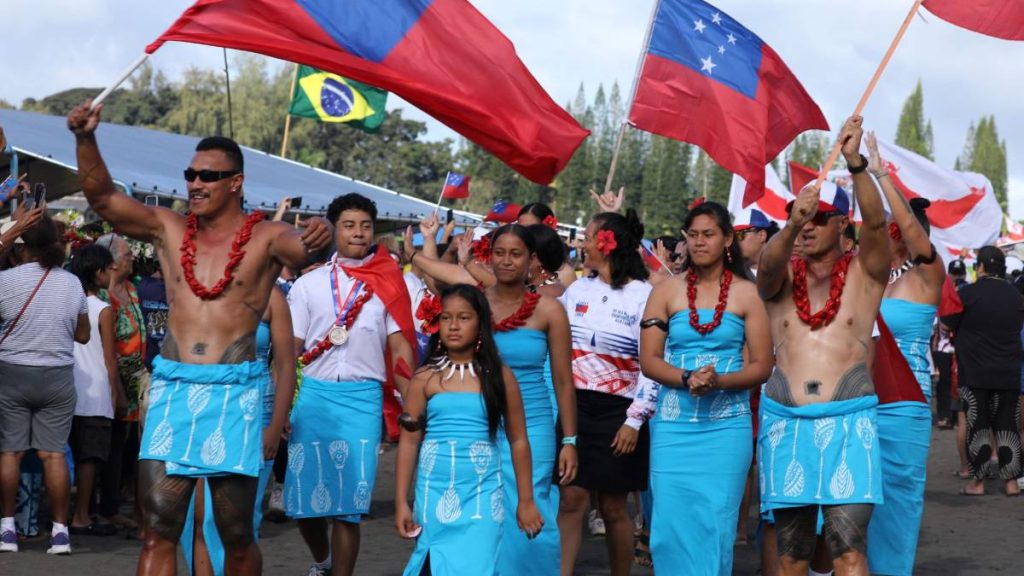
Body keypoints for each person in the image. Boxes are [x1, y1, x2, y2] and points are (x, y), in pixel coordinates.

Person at [67, 100, 333, 575]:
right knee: (158, 528)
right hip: (173, 391)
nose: (195, 183)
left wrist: (322, 231)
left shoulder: (267, 238)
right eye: (191, 174)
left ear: (236, 182)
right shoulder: (167, 229)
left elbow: (308, 247)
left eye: (208, 176)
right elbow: (104, 198)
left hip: (236, 394)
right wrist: (85, 138)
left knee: (235, 533)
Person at [755, 117, 889, 576]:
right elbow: (765, 271)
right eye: (800, 218)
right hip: (786, 422)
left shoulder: (864, 273)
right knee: (790, 554)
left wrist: (855, 163)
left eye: (816, 219)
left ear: (840, 225)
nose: (807, 226)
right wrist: (789, 227)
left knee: (847, 549)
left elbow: (876, 221)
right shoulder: (780, 275)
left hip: (850, 422)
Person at [639, 200, 773, 574]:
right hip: (672, 428)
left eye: (709, 234)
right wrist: (686, 378)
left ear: (727, 239)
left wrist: (719, 382)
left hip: (725, 428)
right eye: (693, 235)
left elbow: (763, 365)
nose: (699, 242)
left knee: (715, 525)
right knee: (669, 527)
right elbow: (649, 361)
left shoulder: (748, 293)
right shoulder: (665, 291)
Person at [286, 193, 416, 576]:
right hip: (312, 397)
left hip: (362, 401)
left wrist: (414, 404)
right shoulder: (308, 285)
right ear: (333, 230)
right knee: (303, 503)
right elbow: (290, 348)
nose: (358, 233)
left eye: (365, 226)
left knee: (350, 506)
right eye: (349, 225)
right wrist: (284, 403)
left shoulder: (389, 283)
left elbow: (400, 348)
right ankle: (322, 560)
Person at [395, 284, 544, 575]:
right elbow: (409, 442)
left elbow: (518, 440)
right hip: (433, 495)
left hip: (482, 498)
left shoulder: (501, 376)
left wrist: (526, 500)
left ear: (481, 323)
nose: (453, 326)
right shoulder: (425, 377)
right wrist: (401, 501)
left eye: (464, 318)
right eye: (446, 318)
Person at [557, 210, 657, 576]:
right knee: (571, 498)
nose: (581, 243)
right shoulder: (577, 290)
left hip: (622, 411)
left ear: (607, 243)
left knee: (614, 505)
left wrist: (635, 420)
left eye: (587, 236)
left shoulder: (645, 295)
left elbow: (653, 362)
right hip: (576, 405)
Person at [864, 131, 945, 575]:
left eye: (896, 227)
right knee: (854, 495)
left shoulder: (928, 276)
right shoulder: (875, 277)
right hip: (858, 395)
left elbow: (916, 239)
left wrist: (881, 176)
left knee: (897, 496)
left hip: (906, 401)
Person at [179, 285, 295, 576]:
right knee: (199, 518)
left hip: (257, 415)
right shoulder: (202, 288)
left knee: (240, 518)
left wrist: (276, 424)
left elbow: (285, 364)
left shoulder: (272, 297)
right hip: (203, 410)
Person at [0, 211, 91, 555]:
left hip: (12, 372)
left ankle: (7, 530)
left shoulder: (7, 280)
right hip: (57, 376)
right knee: (53, 455)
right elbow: (83, 335)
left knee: (10, 451)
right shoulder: (71, 283)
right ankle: (60, 533)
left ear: (23, 247)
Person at [942, 246, 1024, 496]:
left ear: (980, 267)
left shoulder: (968, 294)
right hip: (1008, 371)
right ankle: (1011, 483)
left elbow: (947, 325)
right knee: (1008, 426)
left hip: (975, 372)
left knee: (978, 426)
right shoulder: (1016, 296)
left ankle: (977, 483)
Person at [66, 243, 123, 537]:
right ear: (98, 272)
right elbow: (110, 357)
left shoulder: (66, 300)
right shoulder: (102, 309)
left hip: (67, 387)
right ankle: (82, 515)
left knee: (66, 454)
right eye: (108, 269)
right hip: (96, 391)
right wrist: (116, 393)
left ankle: (63, 516)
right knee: (90, 459)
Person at [94, 232, 146, 533]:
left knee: (125, 444)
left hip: (136, 379)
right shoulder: (102, 296)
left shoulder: (132, 288)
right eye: (127, 256)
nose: (132, 260)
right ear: (112, 263)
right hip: (110, 379)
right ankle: (103, 507)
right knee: (109, 444)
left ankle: (114, 505)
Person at [734, 208, 780, 276]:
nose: (735, 241)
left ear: (761, 235)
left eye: (740, 235)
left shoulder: (784, 270)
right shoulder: (732, 274)